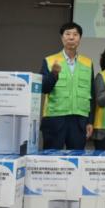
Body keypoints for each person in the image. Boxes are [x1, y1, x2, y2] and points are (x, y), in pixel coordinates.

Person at [40, 22, 94, 150]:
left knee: (76, 157)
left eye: (75, 34)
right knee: (52, 158)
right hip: (54, 119)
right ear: (62, 37)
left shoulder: (87, 63)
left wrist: (90, 121)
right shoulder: (49, 60)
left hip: (79, 120)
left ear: (80, 38)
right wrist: (53, 74)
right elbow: (43, 88)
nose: (71, 37)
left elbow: (91, 94)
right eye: (68, 34)